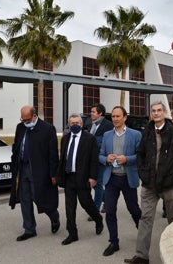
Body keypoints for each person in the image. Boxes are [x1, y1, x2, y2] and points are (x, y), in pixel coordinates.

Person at [124, 101, 173, 264]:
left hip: (169, 184)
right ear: (151, 114)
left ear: (165, 112)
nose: (156, 113)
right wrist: (143, 174)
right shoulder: (146, 132)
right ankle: (141, 256)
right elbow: (140, 155)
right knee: (145, 218)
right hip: (149, 184)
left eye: (159, 110)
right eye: (153, 111)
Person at [9, 105, 60, 241]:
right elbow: (17, 145)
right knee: (25, 200)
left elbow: (53, 153)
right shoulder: (20, 128)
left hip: (39, 170)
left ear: (34, 115)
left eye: (27, 119)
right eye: (23, 119)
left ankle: (54, 216)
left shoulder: (47, 129)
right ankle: (29, 229)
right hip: (22, 168)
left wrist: (53, 174)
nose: (25, 122)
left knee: (40, 199)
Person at [99, 106, 142, 256]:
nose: (115, 119)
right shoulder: (106, 135)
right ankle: (113, 242)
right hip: (111, 179)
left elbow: (141, 156)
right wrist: (106, 159)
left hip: (127, 178)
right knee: (110, 211)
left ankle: (143, 235)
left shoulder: (136, 135)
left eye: (118, 116)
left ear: (125, 117)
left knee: (134, 209)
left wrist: (127, 159)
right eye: (113, 117)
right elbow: (100, 155)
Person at [57, 114, 104, 245]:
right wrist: (59, 176)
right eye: (72, 123)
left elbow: (94, 160)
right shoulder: (65, 138)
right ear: (69, 125)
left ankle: (98, 219)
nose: (75, 125)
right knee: (69, 207)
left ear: (82, 125)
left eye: (77, 123)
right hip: (69, 177)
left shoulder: (89, 138)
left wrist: (93, 177)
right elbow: (63, 159)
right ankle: (72, 233)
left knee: (86, 203)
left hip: (83, 177)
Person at [86, 103, 114, 220]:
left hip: (101, 160)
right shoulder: (90, 124)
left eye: (93, 112)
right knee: (93, 184)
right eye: (91, 111)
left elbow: (106, 144)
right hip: (91, 160)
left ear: (100, 113)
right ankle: (106, 201)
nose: (91, 113)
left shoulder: (107, 125)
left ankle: (95, 211)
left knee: (97, 184)